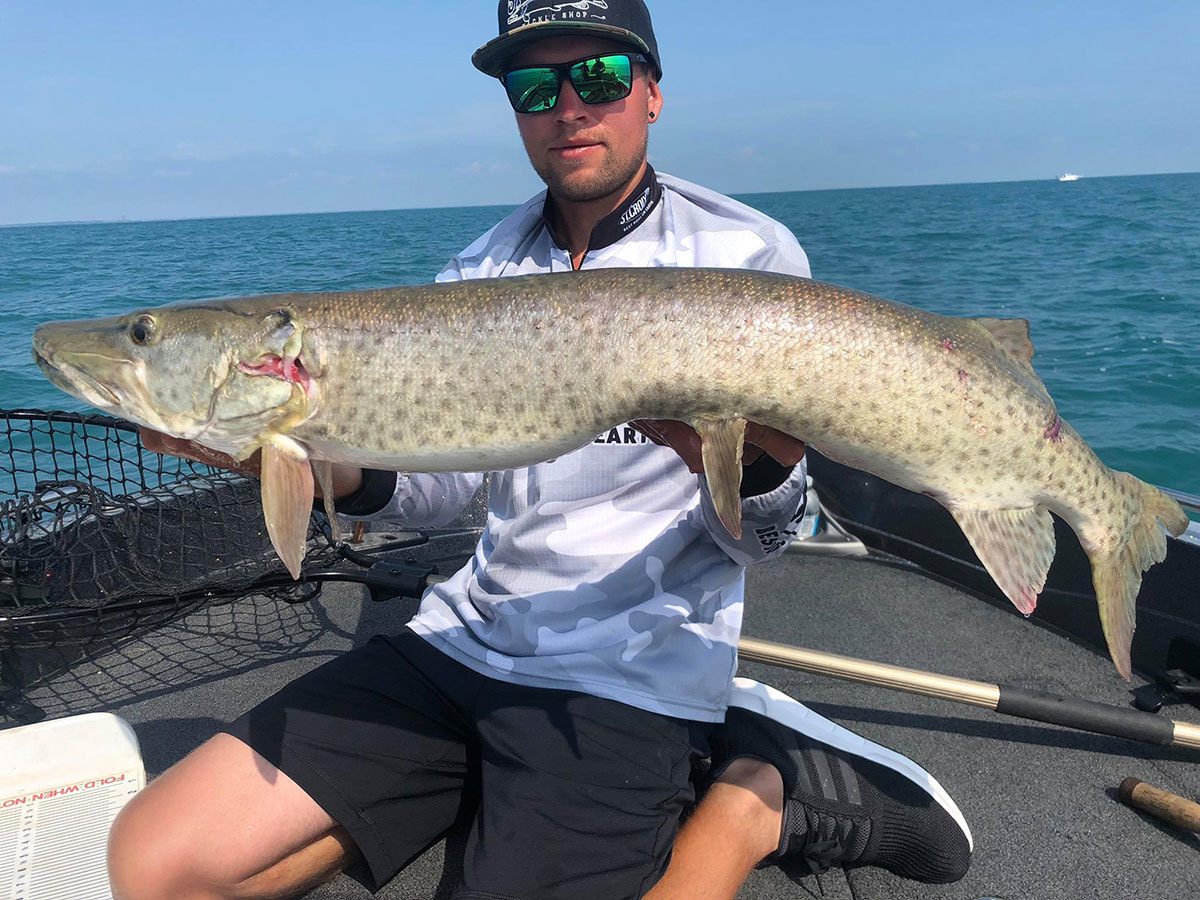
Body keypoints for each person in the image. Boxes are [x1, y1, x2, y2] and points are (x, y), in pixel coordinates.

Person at [110, 2, 972, 898]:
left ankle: (755, 797)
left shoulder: (746, 257)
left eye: (598, 76)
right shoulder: (480, 271)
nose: (568, 107)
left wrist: (756, 467)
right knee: (154, 864)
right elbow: (451, 490)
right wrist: (329, 466)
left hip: (633, 670)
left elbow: (765, 539)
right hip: (468, 635)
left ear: (651, 92)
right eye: (534, 86)